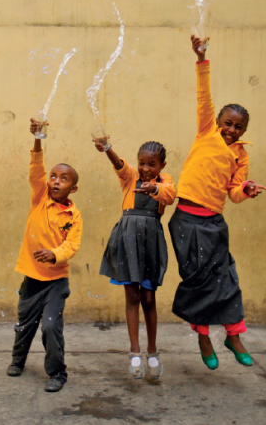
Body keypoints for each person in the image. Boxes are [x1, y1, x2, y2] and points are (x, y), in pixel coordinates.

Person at [169, 35, 266, 370]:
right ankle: (202, 336)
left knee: (226, 278)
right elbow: (203, 97)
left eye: (238, 127)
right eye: (227, 123)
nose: (231, 130)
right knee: (199, 281)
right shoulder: (205, 132)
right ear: (217, 123)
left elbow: (235, 194)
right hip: (186, 220)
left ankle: (233, 334)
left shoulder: (240, 155)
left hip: (213, 222)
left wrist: (247, 190)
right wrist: (201, 59)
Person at [6, 118, 83, 393]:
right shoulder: (39, 197)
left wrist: (54, 254)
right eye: (53, 176)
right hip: (31, 279)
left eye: (63, 179)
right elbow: (36, 169)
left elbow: (72, 246)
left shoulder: (73, 215)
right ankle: (17, 361)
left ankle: (57, 373)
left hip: (55, 282)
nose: (55, 181)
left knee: (51, 327)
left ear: (72, 189)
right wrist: (38, 138)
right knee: (24, 325)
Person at [95, 137, 175, 379]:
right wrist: (107, 149)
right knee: (132, 296)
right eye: (142, 162)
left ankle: (153, 351)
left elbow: (170, 196)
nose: (146, 168)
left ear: (162, 165)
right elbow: (118, 163)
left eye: (152, 164)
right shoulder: (130, 177)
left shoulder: (165, 181)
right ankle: (135, 352)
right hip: (127, 239)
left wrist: (155, 188)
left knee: (148, 299)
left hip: (150, 242)